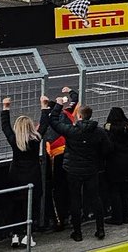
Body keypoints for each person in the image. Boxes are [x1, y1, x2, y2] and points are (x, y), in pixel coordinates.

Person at [43, 96, 111, 241]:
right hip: (91, 170)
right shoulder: (99, 132)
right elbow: (107, 149)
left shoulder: (71, 131)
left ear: (79, 116)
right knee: (95, 199)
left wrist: (58, 106)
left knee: (75, 200)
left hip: (73, 170)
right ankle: (100, 230)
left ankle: (77, 232)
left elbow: (54, 122)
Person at [0, 98, 42, 249]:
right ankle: (28, 236)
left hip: (15, 177)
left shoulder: (14, 140)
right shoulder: (36, 140)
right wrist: (46, 107)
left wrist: (5, 108)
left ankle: (15, 235)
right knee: (31, 207)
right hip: (33, 177)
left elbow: (5, 127)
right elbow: (45, 124)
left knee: (16, 207)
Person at [39, 87, 78, 232]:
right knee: (67, 189)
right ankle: (68, 217)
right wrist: (70, 91)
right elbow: (75, 101)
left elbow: (44, 138)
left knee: (55, 191)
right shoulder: (67, 113)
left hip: (54, 159)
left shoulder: (47, 123)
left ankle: (57, 221)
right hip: (70, 155)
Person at [102, 107, 128, 225]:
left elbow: (106, 148)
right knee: (125, 191)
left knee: (115, 191)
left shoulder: (108, 130)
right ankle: (126, 216)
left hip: (114, 164)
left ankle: (117, 217)